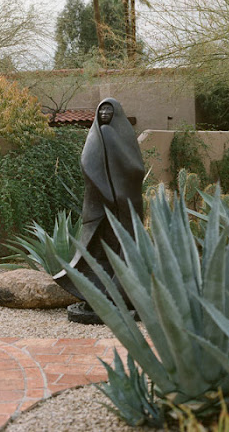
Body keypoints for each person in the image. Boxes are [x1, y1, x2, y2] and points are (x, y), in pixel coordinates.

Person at [54, 98, 145, 304]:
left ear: (116, 114)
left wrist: (118, 192)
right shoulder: (97, 135)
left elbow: (135, 168)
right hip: (100, 203)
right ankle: (101, 290)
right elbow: (89, 165)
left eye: (108, 111)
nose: (104, 114)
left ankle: (119, 291)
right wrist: (106, 191)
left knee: (119, 245)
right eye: (101, 110)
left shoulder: (120, 136)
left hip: (123, 202)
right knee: (99, 246)